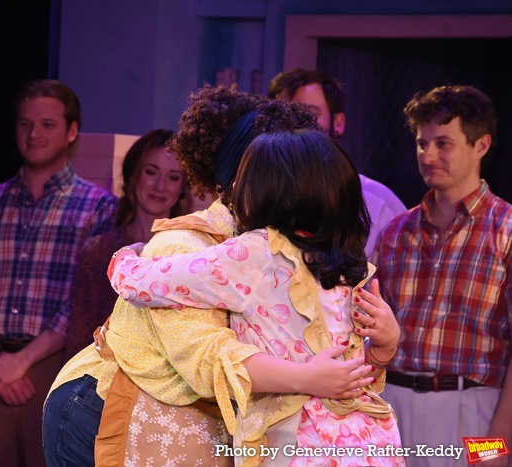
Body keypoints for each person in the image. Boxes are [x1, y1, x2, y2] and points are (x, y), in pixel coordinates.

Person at [43, 84, 377, 467]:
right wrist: (126, 258)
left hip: (203, 423)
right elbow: (207, 354)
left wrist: (381, 345)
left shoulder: (300, 247)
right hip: (103, 408)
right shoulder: (194, 244)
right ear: (240, 180)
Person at [108, 129, 404, 466]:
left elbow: (142, 285)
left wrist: (127, 257)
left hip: (298, 444)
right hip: (369, 441)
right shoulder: (342, 261)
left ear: (265, 189)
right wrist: (384, 348)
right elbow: (347, 375)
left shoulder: (255, 253)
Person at [0, 79, 118, 467]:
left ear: (72, 131)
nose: (34, 133)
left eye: (47, 124)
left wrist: (21, 362)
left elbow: (86, 300)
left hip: (55, 368)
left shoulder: (99, 207)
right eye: (25, 124)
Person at [374, 85, 512, 467]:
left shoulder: (507, 229)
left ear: (481, 146)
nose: (428, 154)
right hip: (395, 404)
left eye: (443, 144)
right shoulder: (395, 232)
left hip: (472, 407)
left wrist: (498, 447)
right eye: (422, 143)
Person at [63, 129, 191, 362]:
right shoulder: (99, 251)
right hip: (102, 381)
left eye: (173, 177)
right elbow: (79, 338)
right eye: (151, 172)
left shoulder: (191, 254)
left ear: (183, 187)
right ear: (132, 176)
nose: (160, 186)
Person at [268, 67, 407, 259]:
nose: (297, 122)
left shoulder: (379, 204)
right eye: (286, 113)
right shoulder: (264, 196)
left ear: (339, 122)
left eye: (310, 112)